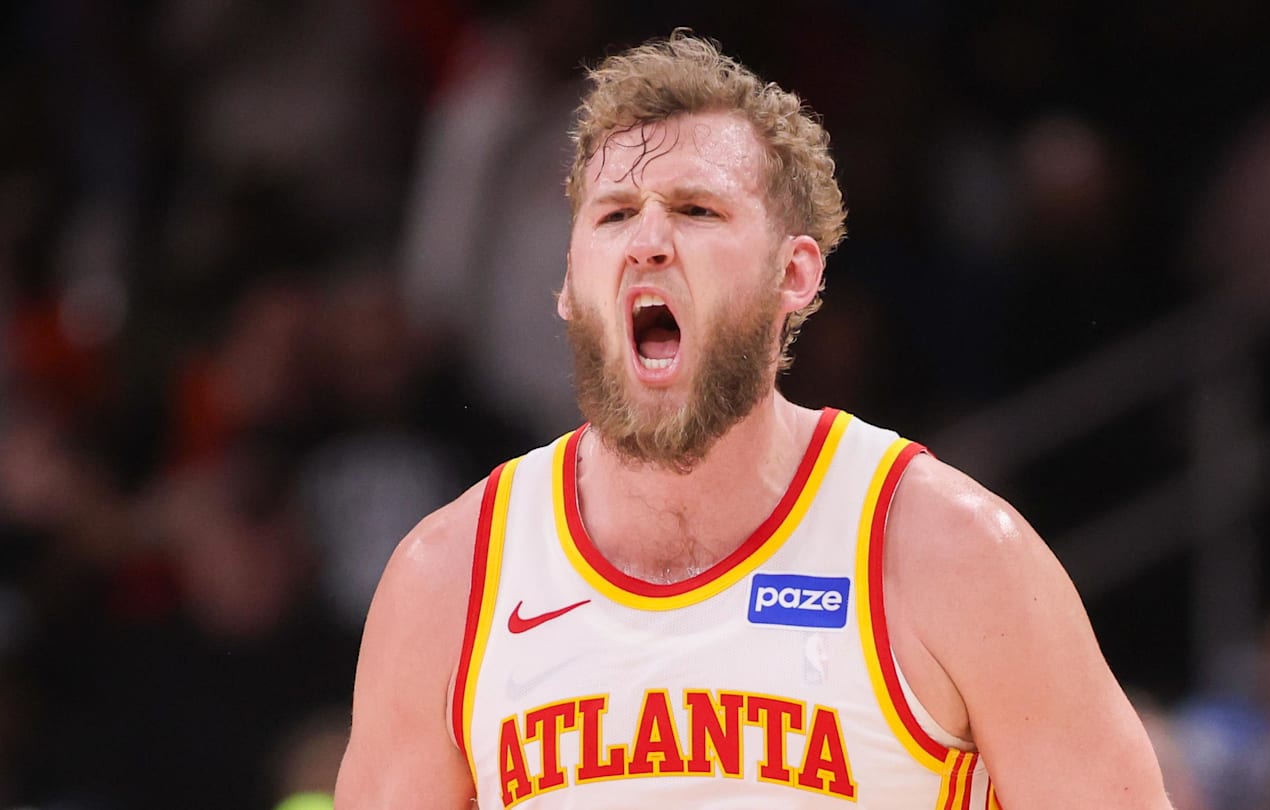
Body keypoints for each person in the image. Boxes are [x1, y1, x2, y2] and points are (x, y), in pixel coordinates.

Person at [335, 31, 1171, 809]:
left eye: (697, 211)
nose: (648, 243)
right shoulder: (447, 583)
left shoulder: (953, 555)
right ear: (567, 281)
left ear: (794, 275)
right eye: (615, 213)